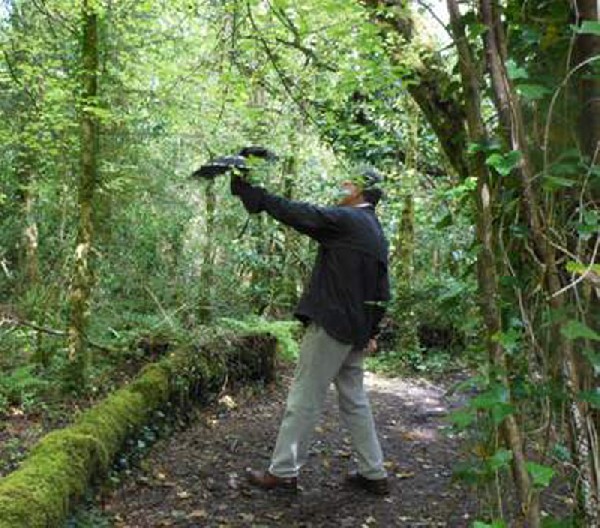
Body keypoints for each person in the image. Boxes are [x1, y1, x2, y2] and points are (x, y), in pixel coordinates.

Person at [230, 166, 390, 496]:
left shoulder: (348, 220)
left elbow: (300, 214)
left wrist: (256, 195)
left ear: (360, 191)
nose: (343, 185)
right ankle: (374, 473)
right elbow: (381, 291)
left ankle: (283, 472)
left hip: (331, 325)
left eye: (349, 182)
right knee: (355, 401)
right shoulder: (376, 231)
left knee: (304, 397)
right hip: (355, 331)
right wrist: (372, 331)